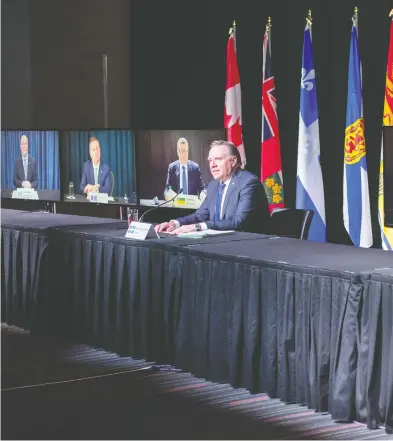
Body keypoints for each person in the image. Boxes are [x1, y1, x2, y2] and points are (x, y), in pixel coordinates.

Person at [155, 140, 271, 234]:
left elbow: (238, 222)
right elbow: (200, 215)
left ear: (234, 161)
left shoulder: (249, 183)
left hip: (250, 248)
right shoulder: (214, 185)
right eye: (210, 160)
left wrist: (196, 227)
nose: (212, 165)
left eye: (218, 159)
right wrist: (175, 223)